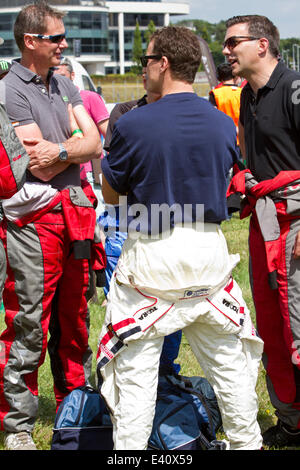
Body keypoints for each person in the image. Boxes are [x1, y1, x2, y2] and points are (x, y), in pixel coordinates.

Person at [96, 25, 264, 450]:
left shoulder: (133, 124)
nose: (144, 69)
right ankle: (247, 444)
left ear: (163, 63)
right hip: (208, 251)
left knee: (134, 377)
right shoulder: (222, 123)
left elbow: (114, 195)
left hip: (153, 252)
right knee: (230, 368)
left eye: (146, 61)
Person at [0, 1, 105, 450]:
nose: (65, 44)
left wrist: (63, 150)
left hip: (75, 214)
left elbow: (96, 143)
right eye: (56, 37)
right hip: (33, 224)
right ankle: (18, 426)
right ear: (30, 41)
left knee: (75, 318)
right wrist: (73, 148)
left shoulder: (63, 83)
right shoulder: (9, 90)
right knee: (28, 321)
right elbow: (34, 166)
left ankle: (73, 407)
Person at [223, 14, 300, 448]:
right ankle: (291, 421)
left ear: (263, 45)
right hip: (265, 223)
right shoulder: (248, 96)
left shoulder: (293, 88)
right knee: (272, 325)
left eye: (234, 43)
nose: (227, 51)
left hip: (296, 222)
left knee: (299, 322)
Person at [101, 74, 182, 375]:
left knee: (172, 306)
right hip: (127, 221)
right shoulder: (125, 113)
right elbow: (114, 177)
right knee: (128, 308)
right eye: (146, 65)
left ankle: (166, 377)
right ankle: (128, 374)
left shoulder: (182, 114)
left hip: (173, 224)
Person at [54, 57, 109, 218]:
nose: (58, 80)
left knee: (91, 219)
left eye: (62, 76)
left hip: (88, 172)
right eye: (54, 76)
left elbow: (109, 133)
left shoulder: (90, 97)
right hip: (58, 171)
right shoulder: (49, 100)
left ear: (72, 76)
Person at [209, 63, 242, 146]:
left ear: (219, 78)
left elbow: (212, 118)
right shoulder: (243, 92)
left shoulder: (215, 94)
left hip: (225, 139)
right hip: (243, 138)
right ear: (235, 75)